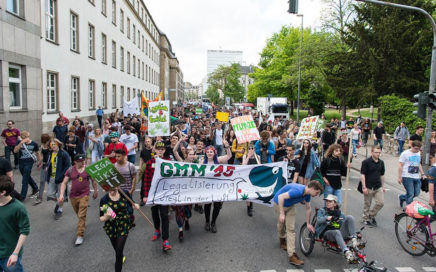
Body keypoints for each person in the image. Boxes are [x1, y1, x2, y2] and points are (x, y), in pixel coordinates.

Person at [273, 180, 323, 266]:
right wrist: (281, 213)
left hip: (290, 206)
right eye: (317, 192)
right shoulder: (298, 191)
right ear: (311, 188)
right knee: (281, 225)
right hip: (279, 203)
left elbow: (308, 208)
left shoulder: (307, 194)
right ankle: (282, 240)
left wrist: (308, 223)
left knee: (291, 229)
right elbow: (280, 197)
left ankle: (292, 255)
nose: (317, 195)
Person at [58, 154, 98, 245]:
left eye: (83, 161)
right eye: (80, 161)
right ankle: (82, 224)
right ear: (75, 162)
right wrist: (61, 195)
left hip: (85, 195)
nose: (82, 162)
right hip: (73, 196)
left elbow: (93, 181)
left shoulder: (88, 169)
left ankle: (80, 235)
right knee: (79, 214)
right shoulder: (70, 170)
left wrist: (95, 191)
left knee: (81, 215)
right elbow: (64, 183)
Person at [100, 186, 138, 272]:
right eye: (110, 190)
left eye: (113, 190)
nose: (112, 192)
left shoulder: (125, 193)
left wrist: (136, 206)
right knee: (117, 249)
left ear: (118, 186)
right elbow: (101, 218)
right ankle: (121, 256)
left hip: (123, 224)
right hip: (111, 226)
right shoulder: (104, 199)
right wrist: (107, 216)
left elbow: (133, 204)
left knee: (118, 253)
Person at [142, 141, 172, 251]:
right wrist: (145, 195)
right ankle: (157, 229)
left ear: (164, 150)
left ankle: (165, 239)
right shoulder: (150, 163)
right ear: (155, 150)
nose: (160, 151)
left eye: (162, 149)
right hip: (153, 193)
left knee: (164, 215)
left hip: (164, 194)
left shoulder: (169, 162)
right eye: (158, 149)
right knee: (155, 213)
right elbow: (146, 179)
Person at [315, 194, 360, 263]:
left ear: (335, 204)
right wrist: (327, 218)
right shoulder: (322, 211)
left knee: (350, 217)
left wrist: (356, 232)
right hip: (327, 233)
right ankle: (347, 252)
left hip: (339, 233)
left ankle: (354, 240)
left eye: (330, 201)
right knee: (336, 231)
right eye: (327, 201)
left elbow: (347, 225)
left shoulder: (340, 213)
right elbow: (319, 220)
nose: (327, 203)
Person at [0, 175, 30, 272]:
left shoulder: (18, 208)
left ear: (3, 192)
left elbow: (24, 230)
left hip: (9, 254)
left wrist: (15, 254)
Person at [203, 142, 232, 233]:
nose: (209, 153)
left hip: (217, 187)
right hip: (206, 187)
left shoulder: (218, 160)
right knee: (207, 205)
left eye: (211, 152)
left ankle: (213, 222)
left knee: (217, 205)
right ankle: (207, 221)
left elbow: (229, 156)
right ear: (206, 153)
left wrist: (227, 146)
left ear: (214, 153)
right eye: (208, 152)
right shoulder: (202, 162)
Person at [46, 139, 71, 220]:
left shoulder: (64, 153)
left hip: (61, 178)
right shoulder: (50, 153)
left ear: (58, 144)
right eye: (51, 144)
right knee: (50, 194)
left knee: (61, 195)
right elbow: (49, 163)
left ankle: (59, 210)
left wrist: (62, 176)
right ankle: (58, 203)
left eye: (54, 144)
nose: (53, 146)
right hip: (52, 177)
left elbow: (67, 166)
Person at [360, 145, 385, 227]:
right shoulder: (366, 162)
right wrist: (364, 187)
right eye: (376, 152)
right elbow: (362, 175)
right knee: (367, 203)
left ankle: (371, 214)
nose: (378, 154)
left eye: (379, 152)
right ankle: (365, 218)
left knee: (380, 203)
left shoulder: (381, 163)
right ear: (372, 152)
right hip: (368, 186)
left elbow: (382, 175)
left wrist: (383, 186)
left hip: (378, 186)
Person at [13, 131, 41, 200]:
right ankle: (35, 188)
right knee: (26, 176)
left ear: (28, 137)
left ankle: (22, 196)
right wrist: (21, 143)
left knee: (24, 179)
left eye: (26, 137)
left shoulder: (34, 144)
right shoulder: (19, 142)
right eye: (23, 138)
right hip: (21, 161)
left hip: (29, 162)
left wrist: (40, 162)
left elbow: (38, 153)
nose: (25, 139)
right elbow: (15, 151)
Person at [398, 140, 426, 208]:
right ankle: (408, 209)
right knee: (410, 193)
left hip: (416, 176)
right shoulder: (405, 153)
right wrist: (399, 177)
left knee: (416, 193)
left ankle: (402, 197)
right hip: (407, 176)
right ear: (412, 146)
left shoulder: (418, 153)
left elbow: (418, 163)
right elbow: (400, 165)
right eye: (416, 148)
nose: (417, 150)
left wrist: (422, 174)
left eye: (418, 148)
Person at [33, 134, 51, 205]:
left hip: (50, 165)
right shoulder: (42, 146)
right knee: (42, 181)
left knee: (51, 180)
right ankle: (40, 197)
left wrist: (48, 165)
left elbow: (52, 156)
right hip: (44, 165)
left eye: (42, 138)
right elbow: (44, 156)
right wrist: (40, 163)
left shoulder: (51, 146)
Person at [242, 144, 260, 216]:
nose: (251, 150)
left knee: (253, 192)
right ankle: (249, 208)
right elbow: (243, 166)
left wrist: (255, 156)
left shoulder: (258, 156)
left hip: (254, 177)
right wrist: (248, 156)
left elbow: (260, 166)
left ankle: (251, 205)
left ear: (254, 149)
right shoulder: (245, 156)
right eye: (249, 148)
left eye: (252, 148)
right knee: (248, 193)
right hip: (247, 177)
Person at [427, 155, 436, 221]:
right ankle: (420, 225)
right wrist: (431, 199)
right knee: (434, 216)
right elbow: (431, 185)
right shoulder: (433, 170)